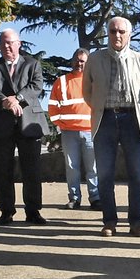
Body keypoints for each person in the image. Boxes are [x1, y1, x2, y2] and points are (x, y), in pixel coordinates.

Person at [82, 16, 140, 237]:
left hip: (132, 120)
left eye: (121, 31)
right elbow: (87, 92)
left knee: (137, 175)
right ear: (108, 33)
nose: (117, 35)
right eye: (113, 31)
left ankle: (136, 222)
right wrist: (99, 108)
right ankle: (109, 222)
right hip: (104, 120)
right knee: (105, 175)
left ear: (129, 34)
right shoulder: (94, 59)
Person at [0, 28, 50, 225]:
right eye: (3, 43)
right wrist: (5, 101)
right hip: (1, 124)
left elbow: (36, 85)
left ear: (19, 44)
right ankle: (6, 211)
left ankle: (33, 211)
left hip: (29, 124)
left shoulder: (32, 64)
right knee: (2, 170)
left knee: (32, 170)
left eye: (10, 43)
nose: (6, 47)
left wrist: (17, 98)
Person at [48, 48, 100, 210]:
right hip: (69, 132)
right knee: (72, 168)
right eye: (77, 60)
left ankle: (96, 198)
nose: (80, 64)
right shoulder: (61, 82)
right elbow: (52, 107)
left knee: (93, 168)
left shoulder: (95, 81)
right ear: (72, 61)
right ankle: (74, 198)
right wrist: (61, 124)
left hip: (91, 131)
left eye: (83, 61)